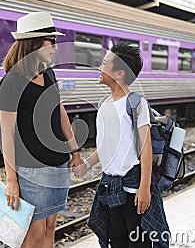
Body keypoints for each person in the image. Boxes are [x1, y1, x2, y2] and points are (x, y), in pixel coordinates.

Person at [0, 12, 83, 248]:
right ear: (34, 44)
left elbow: (61, 112)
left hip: (57, 164)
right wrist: (11, 180)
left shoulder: (48, 73)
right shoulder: (12, 81)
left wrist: (74, 150)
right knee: (33, 235)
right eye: (51, 41)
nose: (56, 47)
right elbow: (7, 134)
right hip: (31, 170)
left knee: (50, 227)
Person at [76, 44, 170, 248]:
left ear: (119, 73)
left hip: (133, 187)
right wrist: (87, 164)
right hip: (111, 187)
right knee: (117, 241)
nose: (99, 68)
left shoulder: (136, 103)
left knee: (138, 243)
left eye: (104, 64)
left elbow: (145, 147)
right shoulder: (104, 103)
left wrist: (145, 188)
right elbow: (105, 145)